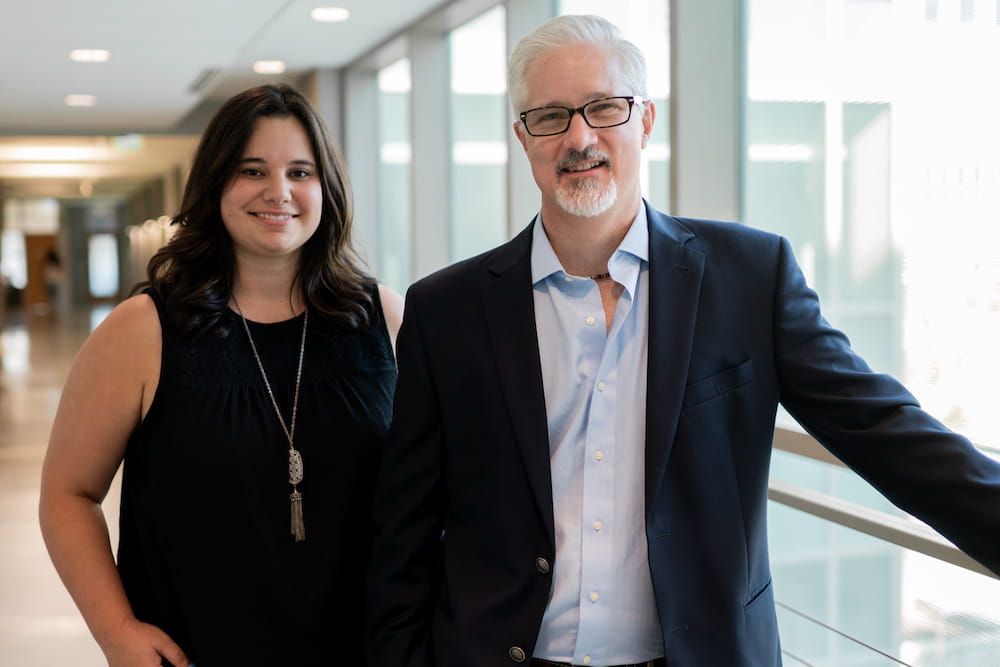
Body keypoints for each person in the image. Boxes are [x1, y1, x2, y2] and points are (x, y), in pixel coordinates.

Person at [365, 14, 1000, 667]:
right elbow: (403, 533)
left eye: (604, 107)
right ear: (523, 136)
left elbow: (887, 430)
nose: (579, 136)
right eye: (551, 116)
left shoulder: (751, 277)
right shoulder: (446, 309)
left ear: (645, 120)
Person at [39, 83, 402, 666]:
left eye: (301, 172)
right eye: (251, 170)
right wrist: (117, 631)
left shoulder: (381, 317)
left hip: (363, 647)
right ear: (215, 184)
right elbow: (67, 494)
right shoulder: (144, 329)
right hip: (195, 648)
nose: (278, 192)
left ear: (326, 189)